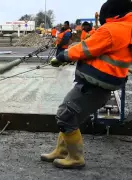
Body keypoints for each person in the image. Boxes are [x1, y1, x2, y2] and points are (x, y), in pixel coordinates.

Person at [43, 0, 132, 169]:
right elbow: (100, 50)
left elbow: (86, 48)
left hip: (93, 85)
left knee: (66, 115)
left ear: (111, 14)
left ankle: (75, 158)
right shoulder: (128, 29)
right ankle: (62, 151)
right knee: (70, 114)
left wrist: (62, 57)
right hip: (103, 85)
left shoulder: (112, 30)